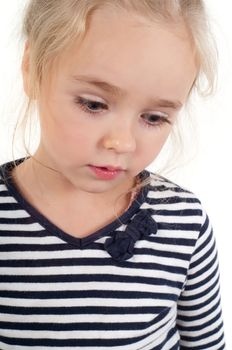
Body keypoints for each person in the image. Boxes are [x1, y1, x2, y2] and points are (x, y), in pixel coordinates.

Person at [0, 0, 225, 349]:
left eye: (153, 118)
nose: (121, 143)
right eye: (93, 104)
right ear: (32, 68)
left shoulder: (184, 224)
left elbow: (206, 343)